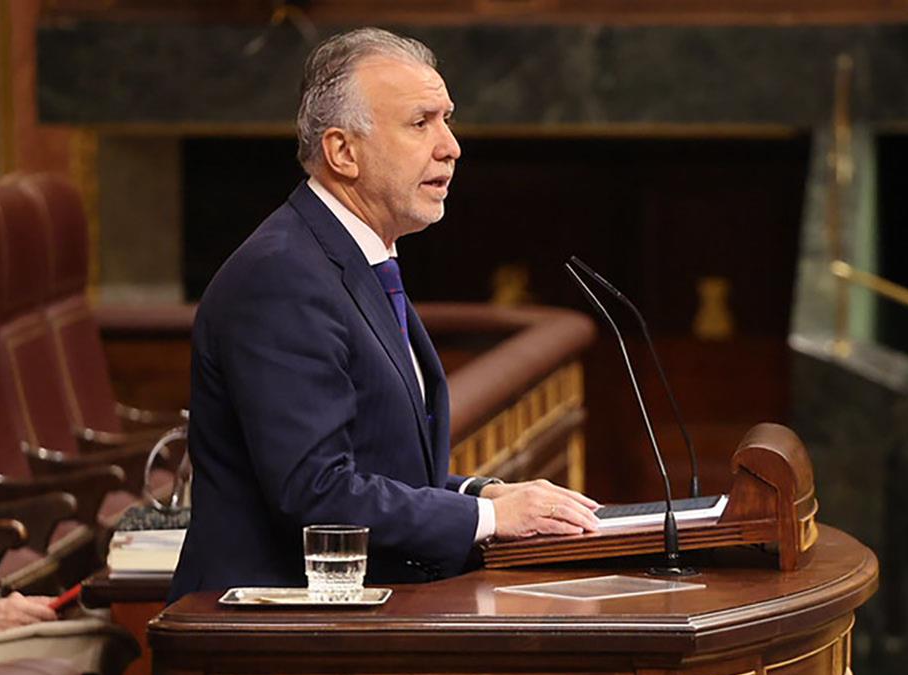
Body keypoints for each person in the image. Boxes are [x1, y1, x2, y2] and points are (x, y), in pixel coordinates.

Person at [169, 28, 599, 600]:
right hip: (273, 629)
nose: (450, 147)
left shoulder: (351, 259)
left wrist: (480, 494)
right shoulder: (281, 277)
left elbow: (373, 467)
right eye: (421, 123)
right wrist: (490, 521)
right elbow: (316, 492)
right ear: (343, 152)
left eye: (446, 119)